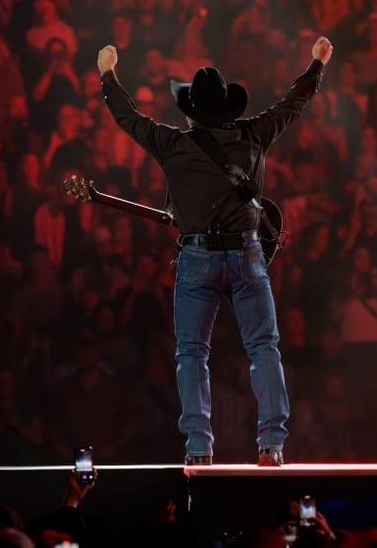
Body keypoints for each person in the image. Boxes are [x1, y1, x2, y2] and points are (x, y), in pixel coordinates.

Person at [96, 35, 333, 465]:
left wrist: (107, 75)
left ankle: (199, 449)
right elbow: (292, 104)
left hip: (197, 259)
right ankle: (271, 445)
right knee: (263, 348)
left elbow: (127, 118)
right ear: (228, 108)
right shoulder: (254, 135)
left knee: (191, 353)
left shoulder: (172, 144)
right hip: (246, 255)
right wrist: (317, 65)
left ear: (190, 112)